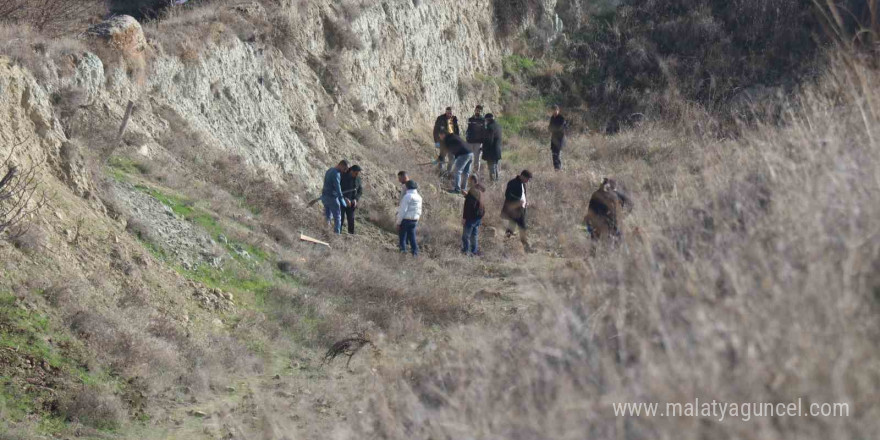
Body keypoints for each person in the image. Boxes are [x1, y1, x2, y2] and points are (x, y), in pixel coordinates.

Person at [502, 170, 533, 251]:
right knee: (522, 227)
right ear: (522, 176)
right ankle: (526, 248)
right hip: (515, 210)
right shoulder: (512, 183)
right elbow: (508, 195)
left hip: (521, 209)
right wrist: (517, 200)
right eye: (527, 179)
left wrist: (526, 201)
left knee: (511, 227)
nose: (528, 181)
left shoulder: (523, 184)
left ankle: (505, 244)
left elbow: (523, 195)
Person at [321, 160, 350, 234]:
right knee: (337, 217)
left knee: (327, 216)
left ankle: (325, 232)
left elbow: (325, 185)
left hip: (325, 197)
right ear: (341, 165)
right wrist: (342, 200)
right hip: (332, 198)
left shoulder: (329, 170)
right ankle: (336, 235)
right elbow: (338, 188)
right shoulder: (336, 174)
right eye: (345, 169)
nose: (345, 171)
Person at [396, 180, 423, 256]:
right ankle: (415, 253)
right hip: (414, 220)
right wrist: (417, 220)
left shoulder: (407, 196)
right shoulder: (419, 197)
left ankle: (402, 253)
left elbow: (402, 211)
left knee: (403, 237)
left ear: (407, 187)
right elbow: (419, 210)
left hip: (405, 220)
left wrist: (398, 222)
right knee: (412, 237)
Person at [461, 175, 485, 256]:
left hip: (471, 217)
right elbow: (476, 202)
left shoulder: (473, 190)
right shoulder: (479, 190)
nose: (468, 182)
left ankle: (465, 252)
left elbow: (468, 206)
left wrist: (464, 218)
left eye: (469, 181)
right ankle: (473, 251)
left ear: (474, 181)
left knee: (466, 236)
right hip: (478, 216)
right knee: (474, 235)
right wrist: (467, 196)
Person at [433, 107, 459, 173]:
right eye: (448, 113)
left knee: (452, 158)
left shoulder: (454, 120)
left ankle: (448, 172)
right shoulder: (440, 119)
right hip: (443, 142)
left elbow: (457, 132)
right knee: (442, 157)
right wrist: (436, 142)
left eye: (450, 113)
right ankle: (440, 171)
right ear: (446, 112)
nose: (449, 114)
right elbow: (435, 131)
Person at [340, 165, 363, 234]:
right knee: (341, 218)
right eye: (356, 173)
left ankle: (351, 235)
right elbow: (338, 190)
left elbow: (360, 191)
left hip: (352, 204)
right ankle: (338, 233)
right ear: (351, 171)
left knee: (351, 220)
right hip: (342, 202)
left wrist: (356, 199)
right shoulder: (343, 177)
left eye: (358, 174)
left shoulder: (358, 179)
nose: (357, 175)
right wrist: (345, 199)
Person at [465, 105, 487, 174]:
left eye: (479, 111)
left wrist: (483, 145)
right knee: (468, 159)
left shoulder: (483, 120)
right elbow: (468, 130)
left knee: (477, 160)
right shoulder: (470, 119)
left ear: (481, 112)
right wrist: (467, 138)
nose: (478, 112)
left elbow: (484, 133)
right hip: (470, 142)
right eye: (477, 110)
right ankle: (467, 173)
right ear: (475, 110)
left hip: (478, 143)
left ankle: (475, 174)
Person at [482, 113, 502, 182]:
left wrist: (483, 148)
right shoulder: (498, 126)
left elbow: (489, 140)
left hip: (491, 151)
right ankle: (496, 181)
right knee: (495, 167)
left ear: (488, 119)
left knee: (491, 168)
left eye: (486, 120)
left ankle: (493, 182)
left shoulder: (490, 127)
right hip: (497, 150)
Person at [548, 105, 568, 171]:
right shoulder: (552, 118)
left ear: (558, 110)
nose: (554, 112)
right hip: (553, 139)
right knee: (554, 155)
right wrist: (553, 129)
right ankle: (556, 169)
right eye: (553, 110)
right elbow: (549, 128)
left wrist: (553, 128)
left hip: (560, 139)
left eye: (555, 110)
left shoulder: (561, 118)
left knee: (557, 155)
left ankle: (559, 169)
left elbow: (559, 128)